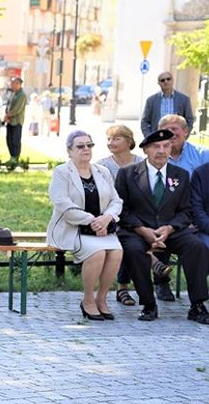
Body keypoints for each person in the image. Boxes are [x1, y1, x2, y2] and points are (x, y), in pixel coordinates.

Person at [114, 128, 209, 324]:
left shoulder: (180, 175)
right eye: (156, 146)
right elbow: (122, 210)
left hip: (171, 231)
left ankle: (197, 305)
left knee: (196, 246)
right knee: (133, 250)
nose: (162, 151)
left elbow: (186, 210)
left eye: (166, 146)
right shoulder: (127, 174)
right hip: (137, 231)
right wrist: (142, 230)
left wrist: (169, 228)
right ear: (146, 150)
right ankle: (149, 305)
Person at [46, 131, 124, 320]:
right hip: (73, 229)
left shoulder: (102, 171)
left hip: (103, 229)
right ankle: (88, 299)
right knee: (97, 253)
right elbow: (63, 205)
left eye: (89, 145)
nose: (86, 149)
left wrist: (106, 218)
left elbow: (116, 201)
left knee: (116, 252)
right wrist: (92, 220)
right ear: (69, 151)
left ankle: (102, 298)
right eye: (80, 146)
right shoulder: (62, 172)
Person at [96, 124, 144, 307]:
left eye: (116, 138)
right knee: (123, 237)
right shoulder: (102, 165)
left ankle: (157, 282)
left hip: (138, 213)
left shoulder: (141, 162)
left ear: (129, 141)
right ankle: (123, 287)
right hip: (112, 215)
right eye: (109, 139)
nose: (111, 142)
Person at [3, 76, 27, 161]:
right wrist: (6, 114)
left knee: (15, 140)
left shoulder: (22, 95)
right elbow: (8, 105)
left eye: (14, 83)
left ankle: (15, 158)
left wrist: (8, 115)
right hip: (10, 121)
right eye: (12, 83)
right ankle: (11, 156)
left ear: (19, 84)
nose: (12, 85)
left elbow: (17, 109)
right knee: (9, 140)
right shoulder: (13, 93)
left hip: (17, 121)